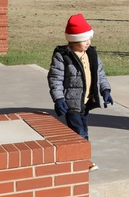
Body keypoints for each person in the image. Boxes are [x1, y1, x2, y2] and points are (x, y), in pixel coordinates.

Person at [47, 13, 113, 145]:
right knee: (79, 133)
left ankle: (81, 159)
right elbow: (55, 79)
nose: (88, 43)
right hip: (71, 103)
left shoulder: (91, 54)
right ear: (73, 40)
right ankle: (84, 161)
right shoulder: (62, 56)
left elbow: (100, 74)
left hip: (86, 102)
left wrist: (105, 90)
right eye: (84, 40)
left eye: (89, 39)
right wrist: (59, 99)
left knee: (84, 131)